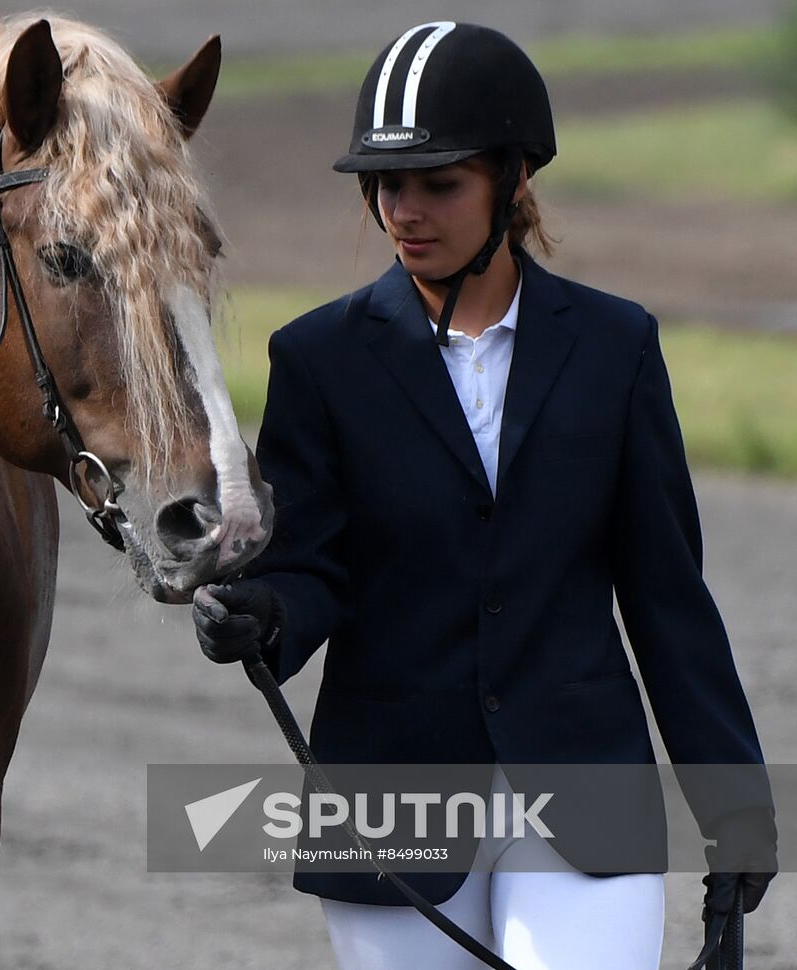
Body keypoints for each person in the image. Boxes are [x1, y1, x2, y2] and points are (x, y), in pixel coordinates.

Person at [191, 21, 777, 969]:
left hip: (582, 786)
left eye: (440, 183)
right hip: (393, 796)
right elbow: (313, 568)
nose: (405, 212)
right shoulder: (318, 359)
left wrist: (736, 814)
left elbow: (669, 600)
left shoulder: (615, 348)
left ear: (512, 182)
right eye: (388, 186)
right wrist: (265, 612)